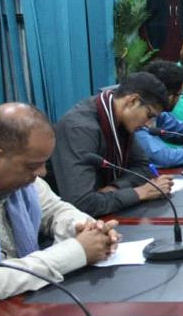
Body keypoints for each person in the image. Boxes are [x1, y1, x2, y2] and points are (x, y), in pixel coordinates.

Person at [0, 104, 120, 316]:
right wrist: (75, 252)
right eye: (33, 166)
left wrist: (85, 228)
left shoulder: (19, 176)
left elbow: (56, 210)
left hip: (13, 303)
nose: (41, 174)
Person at [51, 73, 175, 217]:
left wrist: (115, 188)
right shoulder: (80, 128)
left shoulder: (119, 118)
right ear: (132, 101)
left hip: (104, 213)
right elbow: (82, 203)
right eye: (149, 116)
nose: (148, 124)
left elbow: (143, 167)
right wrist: (140, 193)